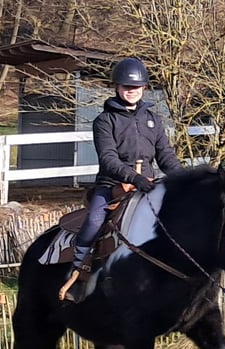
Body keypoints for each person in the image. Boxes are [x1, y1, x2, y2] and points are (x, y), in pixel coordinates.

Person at [59, 57, 183, 302]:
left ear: (144, 88)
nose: (132, 91)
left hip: (148, 184)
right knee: (94, 221)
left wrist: (185, 179)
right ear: (117, 87)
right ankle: (79, 271)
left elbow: (166, 155)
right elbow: (108, 159)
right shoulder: (104, 121)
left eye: (136, 87)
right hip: (112, 185)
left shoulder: (153, 120)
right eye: (127, 87)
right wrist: (134, 178)